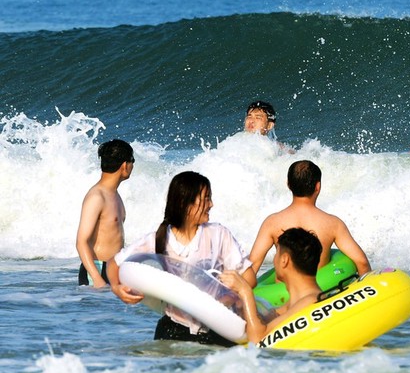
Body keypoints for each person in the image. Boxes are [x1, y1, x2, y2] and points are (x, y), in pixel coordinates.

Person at [106, 171, 253, 346]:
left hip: (218, 328)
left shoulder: (218, 234)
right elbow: (114, 264)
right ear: (185, 203)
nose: (211, 204)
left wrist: (227, 290)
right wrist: (117, 288)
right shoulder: (157, 239)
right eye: (206, 198)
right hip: (173, 329)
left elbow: (249, 278)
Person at [244, 160, 371, 285]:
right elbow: (362, 262)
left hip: (283, 300)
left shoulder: (271, 222)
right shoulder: (333, 223)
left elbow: (251, 267)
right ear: (318, 186)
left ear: (288, 184)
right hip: (319, 293)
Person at [222, 227, 323, 343]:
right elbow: (272, 317)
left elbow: (257, 340)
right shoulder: (296, 303)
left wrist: (245, 291)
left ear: (284, 260)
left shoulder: (311, 302)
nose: (275, 260)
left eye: (277, 254)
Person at [76, 139, 135, 288]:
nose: (132, 165)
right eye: (132, 160)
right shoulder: (97, 197)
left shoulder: (114, 195)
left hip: (113, 270)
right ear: (124, 165)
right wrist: (97, 279)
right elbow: (81, 241)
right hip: (97, 270)